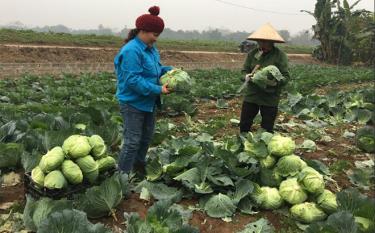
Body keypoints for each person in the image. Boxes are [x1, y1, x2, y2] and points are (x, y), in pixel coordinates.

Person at [114, 6, 172, 175]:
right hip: (133, 102)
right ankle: (121, 177)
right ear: (144, 31)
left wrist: (170, 71)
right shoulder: (131, 50)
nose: (156, 39)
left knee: (145, 138)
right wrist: (159, 88)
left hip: (149, 102)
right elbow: (132, 80)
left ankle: (138, 169)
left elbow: (156, 70)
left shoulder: (151, 49)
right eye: (155, 35)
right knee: (132, 141)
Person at [240, 23, 290, 133]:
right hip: (252, 95)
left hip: (270, 97)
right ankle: (242, 144)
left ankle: (264, 147)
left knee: (267, 127)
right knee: (244, 124)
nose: (261, 44)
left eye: (265, 41)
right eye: (260, 41)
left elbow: (286, 76)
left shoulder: (280, 56)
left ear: (272, 42)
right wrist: (246, 76)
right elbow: (243, 71)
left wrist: (275, 83)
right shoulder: (252, 54)